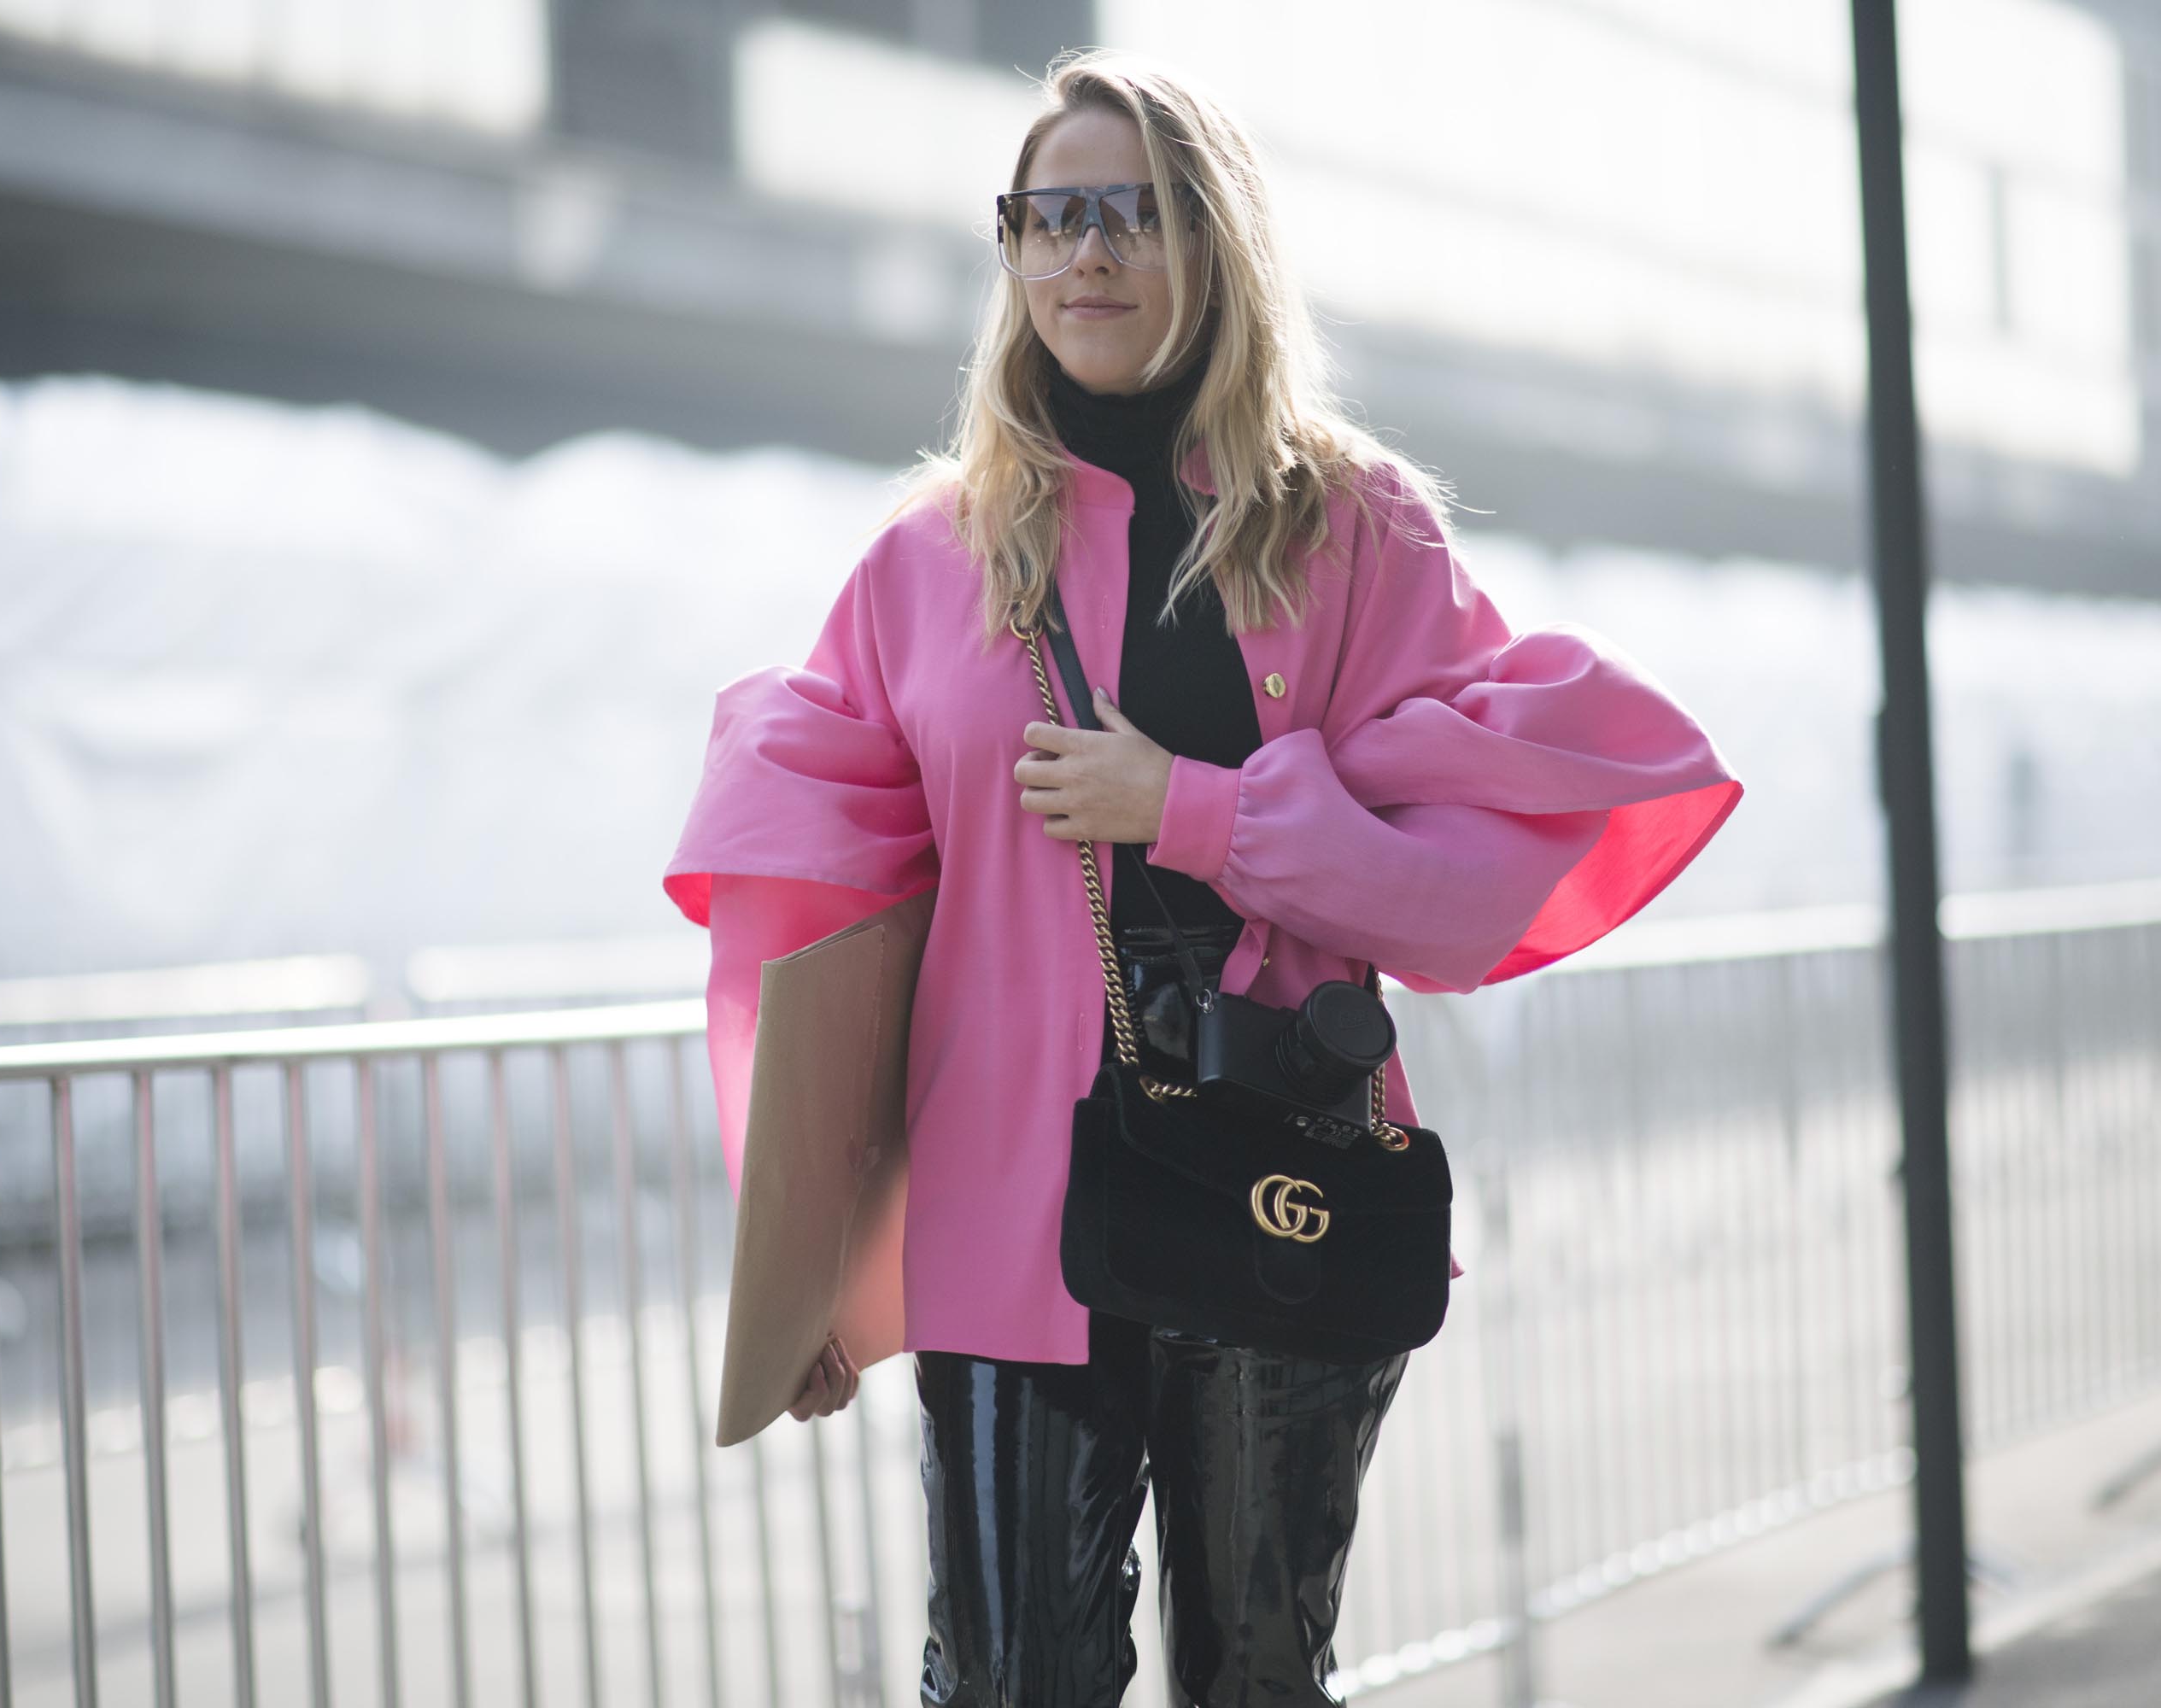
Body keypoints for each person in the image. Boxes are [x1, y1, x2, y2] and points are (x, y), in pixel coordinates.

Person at [662, 50, 1744, 1708]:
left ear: (1215, 244)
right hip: (1003, 1220)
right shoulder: (924, 561)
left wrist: (1194, 809)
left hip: (1278, 1183)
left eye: (1133, 214)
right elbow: (821, 929)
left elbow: (1444, 897)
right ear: (1012, 254)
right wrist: (808, 1263)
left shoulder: (1355, 531)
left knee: (1253, 1675)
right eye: (1048, 216)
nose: (1084, 254)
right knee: (1016, 1682)